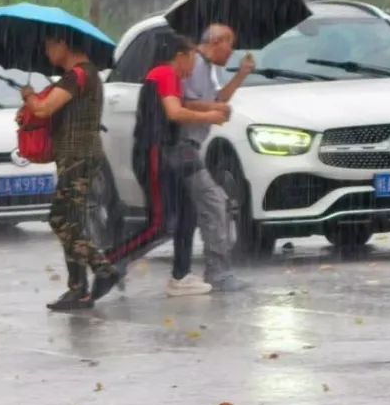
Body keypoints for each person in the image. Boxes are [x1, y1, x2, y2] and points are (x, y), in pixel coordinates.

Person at [21, 34, 120, 312]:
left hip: (79, 157)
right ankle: (77, 289)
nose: (47, 52)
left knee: (60, 218)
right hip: (79, 156)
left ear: (63, 44)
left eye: (48, 46)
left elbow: (44, 109)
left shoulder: (77, 76)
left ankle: (102, 268)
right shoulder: (85, 76)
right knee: (71, 220)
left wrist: (29, 96)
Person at [132, 33, 229, 297]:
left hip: (165, 153)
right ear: (180, 57)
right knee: (161, 224)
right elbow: (174, 112)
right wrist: (208, 114)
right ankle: (109, 261)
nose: (192, 67)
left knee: (186, 213)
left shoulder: (165, 75)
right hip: (155, 152)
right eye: (191, 59)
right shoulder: (165, 74)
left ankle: (181, 276)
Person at [181, 24, 255, 292]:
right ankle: (218, 272)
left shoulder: (207, 68)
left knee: (195, 210)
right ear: (215, 41)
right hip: (182, 146)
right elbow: (185, 102)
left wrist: (242, 75)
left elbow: (217, 97)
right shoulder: (196, 65)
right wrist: (214, 109)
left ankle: (196, 271)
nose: (232, 50)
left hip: (191, 147)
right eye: (230, 44)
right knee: (215, 203)